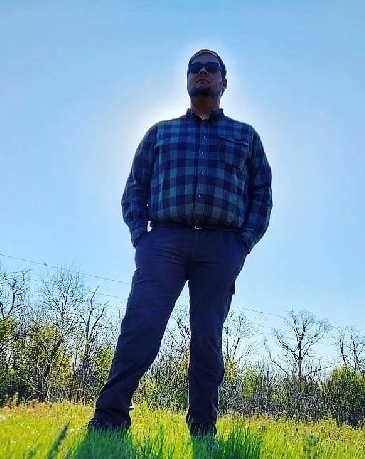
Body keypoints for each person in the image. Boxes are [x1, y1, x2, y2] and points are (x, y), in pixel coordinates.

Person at [89, 49, 272, 439]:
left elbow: (262, 195)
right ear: (187, 80)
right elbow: (135, 188)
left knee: (207, 336)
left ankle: (203, 428)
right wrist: (142, 238)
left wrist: (243, 243)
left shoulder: (246, 136)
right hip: (164, 243)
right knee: (141, 325)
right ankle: (109, 417)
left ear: (224, 82)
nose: (202, 73)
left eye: (211, 69)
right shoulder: (160, 132)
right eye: (195, 69)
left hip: (221, 247)